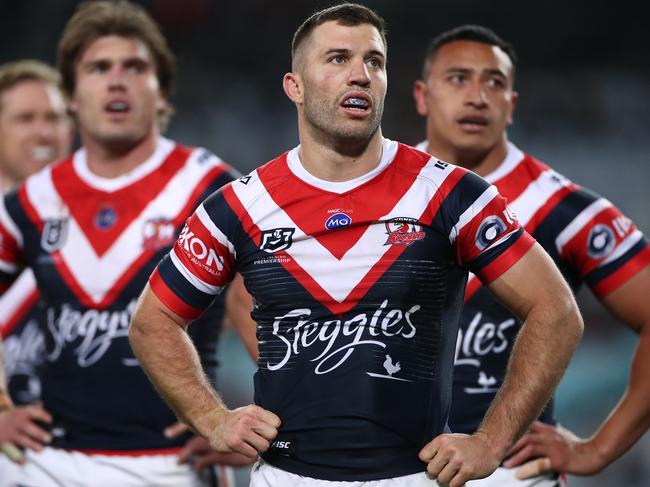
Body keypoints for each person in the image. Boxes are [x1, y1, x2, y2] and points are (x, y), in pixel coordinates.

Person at [129, 4, 583, 487]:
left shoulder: (452, 194)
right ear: (294, 87)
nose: (361, 75)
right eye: (338, 59)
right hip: (285, 477)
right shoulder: (239, 207)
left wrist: (491, 441)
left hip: (416, 477)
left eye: (374, 61)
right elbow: (153, 323)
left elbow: (556, 312)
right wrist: (214, 418)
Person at [0, 1, 253, 486]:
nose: (117, 81)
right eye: (98, 68)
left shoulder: (212, 186)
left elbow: (270, 308)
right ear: (71, 96)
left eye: (135, 67)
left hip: (175, 465)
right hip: (51, 463)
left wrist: (260, 414)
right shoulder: (32, 200)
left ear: (162, 93)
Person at [412, 25, 650, 486]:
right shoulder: (378, 191)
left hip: (511, 474)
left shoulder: (566, 210)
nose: (478, 96)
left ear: (511, 105)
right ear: (423, 96)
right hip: (383, 469)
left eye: (494, 82)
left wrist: (597, 449)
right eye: (458, 78)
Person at [0, 59, 73, 485]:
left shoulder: (110, 221)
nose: (44, 132)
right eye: (25, 118)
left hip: (95, 451)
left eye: (55, 117)